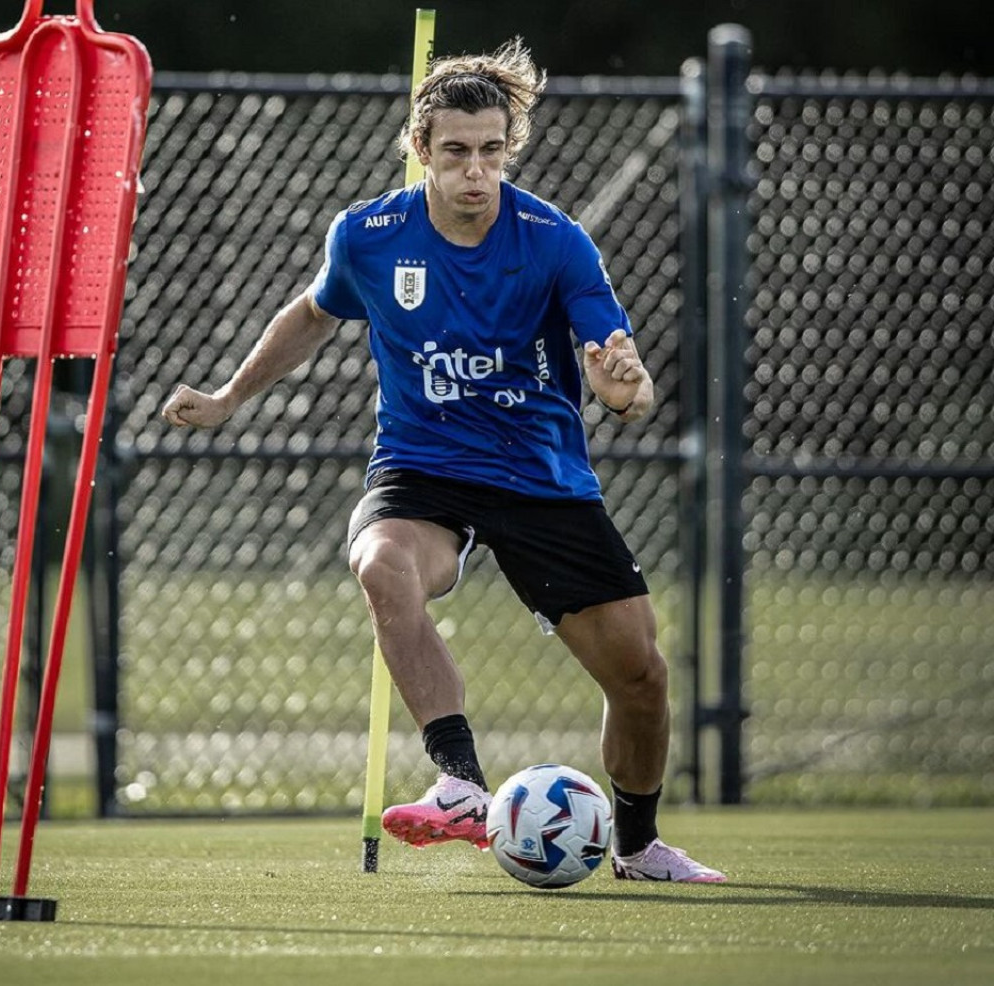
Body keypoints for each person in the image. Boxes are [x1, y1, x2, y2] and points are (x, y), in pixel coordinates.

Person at [162, 39, 724, 883]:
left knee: (641, 675)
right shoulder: (368, 235)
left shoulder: (555, 241)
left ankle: (638, 845)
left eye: (491, 152)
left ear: (510, 148)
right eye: (455, 152)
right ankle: (460, 784)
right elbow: (313, 313)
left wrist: (626, 389)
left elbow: (623, 382)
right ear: (421, 147)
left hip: (539, 475)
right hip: (422, 470)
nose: (475, 171)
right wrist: (231, 397)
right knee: (382, 564)